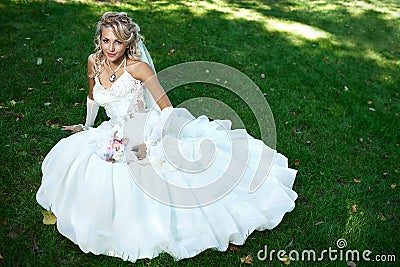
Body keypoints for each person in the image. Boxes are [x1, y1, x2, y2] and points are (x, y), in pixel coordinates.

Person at [36, 11, 298, 263]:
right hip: (113, 129)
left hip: (144, 129)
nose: (111, 48)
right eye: (106, 40)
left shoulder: (139, 69)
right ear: (99, 39)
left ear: (129, 43)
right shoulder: (94, 62)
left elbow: (167, 110)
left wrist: (146, 141)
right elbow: (93, 97)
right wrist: (87, 127)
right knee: (83, 164)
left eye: (118, 42)